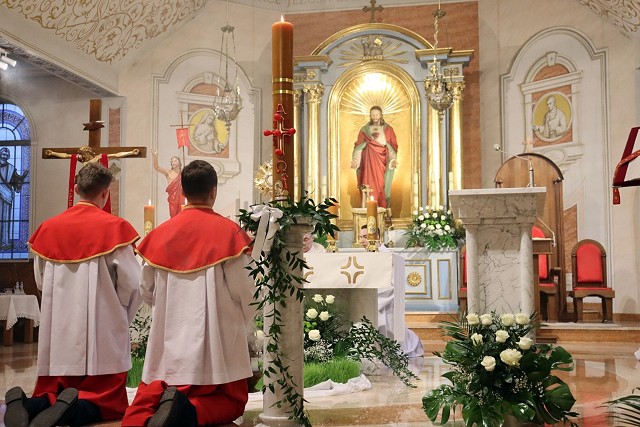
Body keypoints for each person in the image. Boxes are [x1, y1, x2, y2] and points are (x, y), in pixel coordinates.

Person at [4, 162, 141, 427]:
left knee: (54, 388)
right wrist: (121, 315)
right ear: (105, 193)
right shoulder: (115, 229)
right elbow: (133, 284)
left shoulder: (49, 228)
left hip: (59, 329)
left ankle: (31, 405)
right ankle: (70, 411)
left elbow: (40, 281)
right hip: (102, 331)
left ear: (76, 189)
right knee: (106, 403)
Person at [122, 160, 256, 427]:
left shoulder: (160, 235)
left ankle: (164, 406)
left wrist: (169, 307)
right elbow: (246, 290)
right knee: (231, 400)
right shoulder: (230, 234)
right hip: (216, 343)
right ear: (213, 191)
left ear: (182, 191)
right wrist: (244, 322)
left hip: (168, 339)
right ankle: (185, 412)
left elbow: (146, 289)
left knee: (152, 395)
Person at [357, 225, 424, 358]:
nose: (361, 241)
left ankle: (408, 344)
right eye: (360, 237)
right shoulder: (364, 256)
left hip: (384, 302)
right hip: (369, 297)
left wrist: (372, 298)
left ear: (377, 237)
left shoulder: (388, 256)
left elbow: (392, 283)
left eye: (365, 237)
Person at [351, 106, 398, 209]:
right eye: (373, 115)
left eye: (377, 115)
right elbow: (358, 147)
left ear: (381, 115)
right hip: (367, 162)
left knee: (381, 185)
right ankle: (367, 209)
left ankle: (381, 209)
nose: (375, 117)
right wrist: (355, 161)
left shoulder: (388, 129)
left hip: (381, 161)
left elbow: (391, 147)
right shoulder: (364, 129)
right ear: (370, 116)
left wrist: (393, 160)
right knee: (368, 185)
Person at [0, 147, 29, 250]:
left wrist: (23, 176)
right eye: (3, 154)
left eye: (6, 155)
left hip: (6, 195)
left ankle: (4, 242)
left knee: (5, 219)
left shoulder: (11, 169)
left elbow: (17, 179)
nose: (5, 156)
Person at [152, 150, 183, 218]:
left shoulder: (183, 173)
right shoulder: (168, 172)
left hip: (181, 198)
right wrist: (155, 157)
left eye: (175, 161)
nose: (173, 162)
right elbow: (157, 167)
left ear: (179, 163)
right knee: (173, 216)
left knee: (181, 216)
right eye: (172, 161)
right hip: (172, 198)